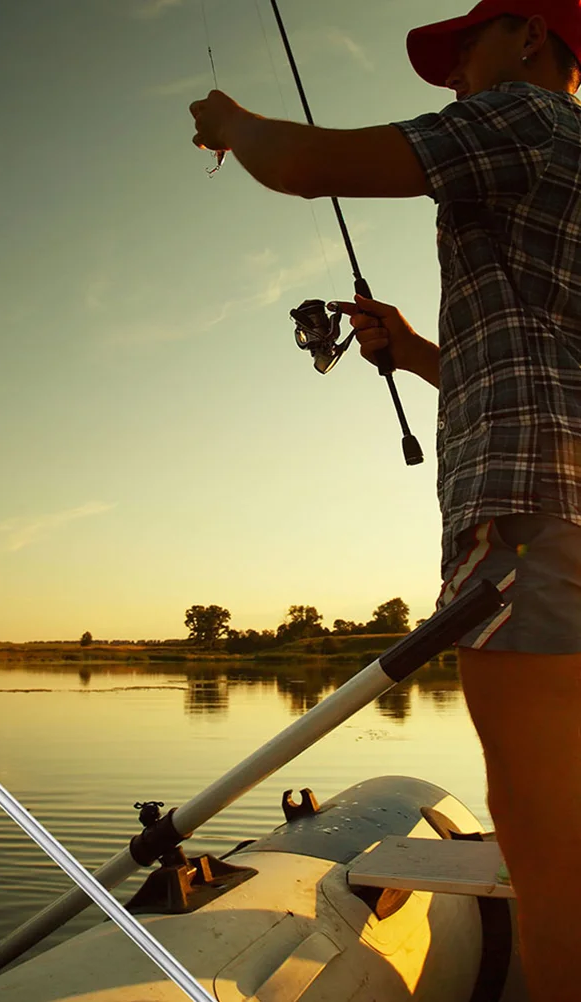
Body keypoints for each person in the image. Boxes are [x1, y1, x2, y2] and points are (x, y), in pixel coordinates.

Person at [190, 2, 581, 998]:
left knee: (551, 864)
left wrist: (230, 122)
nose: (454, 75)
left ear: (531, 36)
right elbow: (534, 369)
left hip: (528, 521)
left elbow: (304, 162)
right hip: (566, 507)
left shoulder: (527, 117)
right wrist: (408, 351)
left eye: (466, 48)